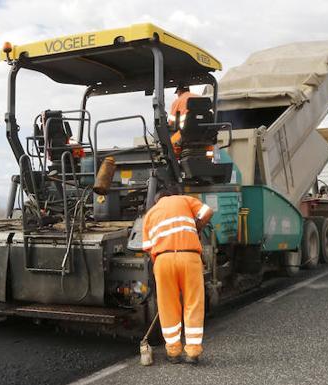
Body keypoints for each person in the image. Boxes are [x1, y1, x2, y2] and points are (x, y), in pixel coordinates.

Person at [142, 187, 213, 364]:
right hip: (189, 257)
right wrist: (197, 225)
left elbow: (148, 247)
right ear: (172, 195)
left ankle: (173, 352)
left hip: (163, 260)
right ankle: (193, 352)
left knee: (168, 306)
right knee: (193, 303)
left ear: (158, 200)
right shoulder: (184, 200)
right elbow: (207, 211)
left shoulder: (150, 214)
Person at [168, 84, 199, 157]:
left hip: (186, 133)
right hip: (205, 133)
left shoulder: (178, 101)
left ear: (179, 91)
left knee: (170, 144)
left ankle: (176, 163)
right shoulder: (201, 98)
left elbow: (171, 122)